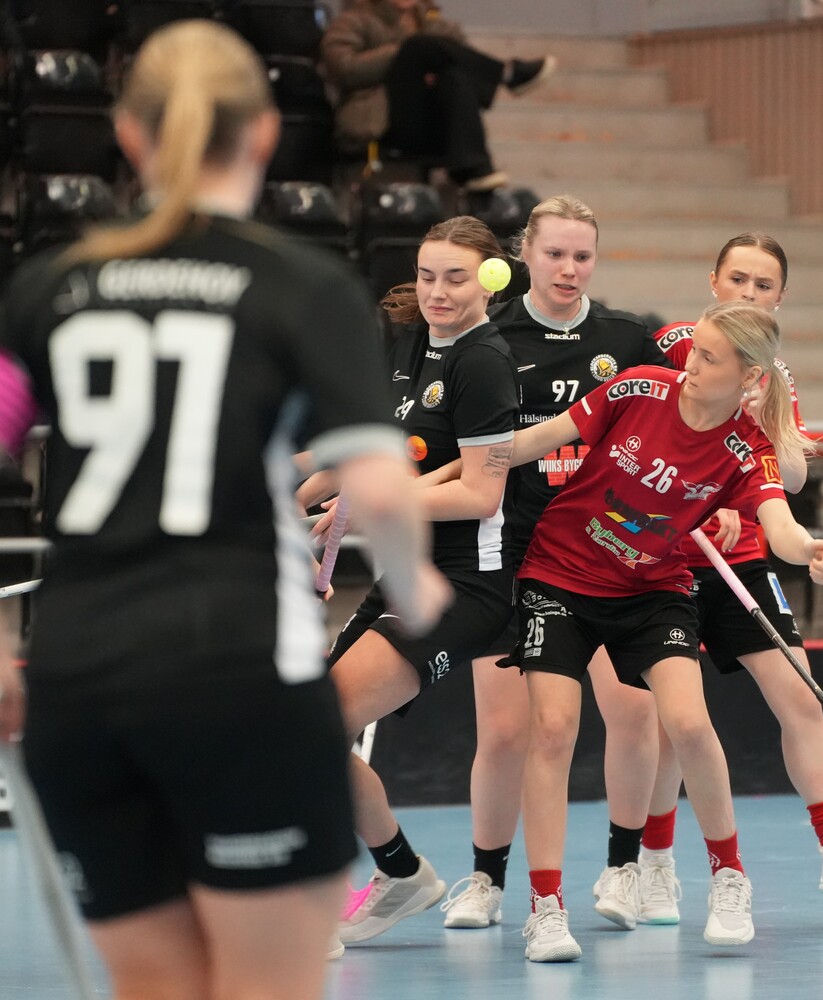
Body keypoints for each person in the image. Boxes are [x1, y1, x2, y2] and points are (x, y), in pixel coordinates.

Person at [0, 21, 448, 1000]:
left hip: (82, 683)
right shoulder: (303, 286)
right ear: (264, 134)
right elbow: (378, 484)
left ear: (128, 134)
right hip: (241, 680)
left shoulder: (49, 286)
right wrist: (419, 594)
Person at [501, 300, 823, 961]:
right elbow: (530, 443)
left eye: (709, 359)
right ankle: (545, 908)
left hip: (652, 589)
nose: (690, 366)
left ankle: (729, 877)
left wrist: (808, 551)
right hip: (559, 573)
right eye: (695, 350)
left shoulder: (748, 448)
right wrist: (454, 459)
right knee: (553, 729)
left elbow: (779, 523)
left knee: (687, 723)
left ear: (749, 378)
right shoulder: (638, 388)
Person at [619, 233, 823, 926]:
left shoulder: (774, 375)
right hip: (664, 564)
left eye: (763, 285)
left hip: (744, 561)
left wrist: (763, 416)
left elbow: (793, 475)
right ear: (714, 281)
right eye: (738, 280)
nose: (748, 293)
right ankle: (655, 867)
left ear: (780, 298)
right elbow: (644, 436)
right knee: (672, 723)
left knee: (801, 696)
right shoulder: (677, 346)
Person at [437, 194, 671, 932]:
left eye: (582, 255)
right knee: (508, 732)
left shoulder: (629, 339)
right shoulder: (487, 338)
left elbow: (680, 427)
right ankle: (486, 879)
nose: (569, 268)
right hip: (507, 554)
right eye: (555, 254)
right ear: (524, 256)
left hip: (606, 552)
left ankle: (624, 869)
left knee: (634, 712)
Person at [300, 215, 520, 947]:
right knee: (310, 731)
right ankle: (400, 873)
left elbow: (481, 494)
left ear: (488, 281)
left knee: (313, 724)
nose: (437, 292)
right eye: (427, 276)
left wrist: (374, 505)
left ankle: (316, 902)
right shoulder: (416, 345)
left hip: (467, 585)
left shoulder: (483, 362)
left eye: (455, 277)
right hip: (406, 574)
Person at [321, 0, 555, 191]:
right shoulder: (354, 19)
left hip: (432, 121)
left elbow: (465, 62)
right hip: (383, 122)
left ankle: (473, 167)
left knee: (453, 75)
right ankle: (507, 73)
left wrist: (431, 69)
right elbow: (344, 68)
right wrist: (401, 53)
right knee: (416, 46)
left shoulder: (432, 20)